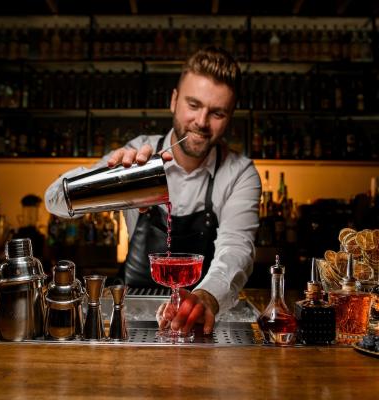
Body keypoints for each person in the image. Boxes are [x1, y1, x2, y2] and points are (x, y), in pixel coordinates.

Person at [45, 46, 261, 336]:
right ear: (174, 100)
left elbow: (236, 248)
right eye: (193, 105)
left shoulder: (239, 173)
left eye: (217, 112)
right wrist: (109, 179)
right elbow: (54, 201)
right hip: (131, 311)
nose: (201, 122)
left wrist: (206, 296)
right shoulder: (137, 155)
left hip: (200, 319)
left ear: (231, 115)